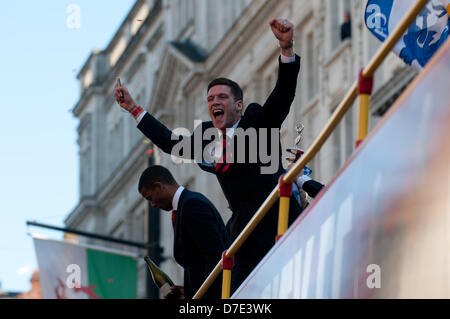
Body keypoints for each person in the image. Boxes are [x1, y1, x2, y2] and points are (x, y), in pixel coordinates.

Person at [116, 18, 302, 294]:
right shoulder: (207, 137)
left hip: (277, 218)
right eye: (210, 99)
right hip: (244, 232)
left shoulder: (255, 122)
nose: (215, 102)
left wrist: (286, 48)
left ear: (238, 105)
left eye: (222, 97)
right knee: (238, 295)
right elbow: (170, 143)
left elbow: (283, 96)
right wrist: (133, 108)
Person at [138, 165, 229, 299]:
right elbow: (199, 262)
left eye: (150, 198)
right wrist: (189, 292)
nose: (152, 205)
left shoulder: (191, 205)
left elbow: (214, 256)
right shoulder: (185, 206)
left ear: (159, 186)